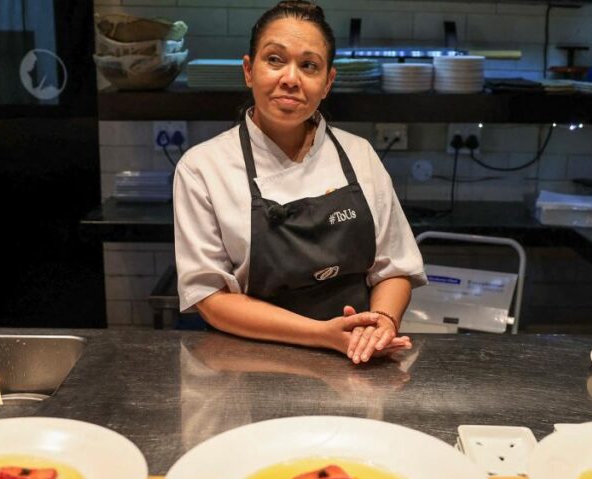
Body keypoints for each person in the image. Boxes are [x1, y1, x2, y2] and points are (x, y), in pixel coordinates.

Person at [173, 0, 426, 365]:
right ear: (249, 70)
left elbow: (395, 268)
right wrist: (321, 334)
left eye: (309, 66)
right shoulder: (202, 168)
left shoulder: (360, 154)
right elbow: (210, 298)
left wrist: (382, 323)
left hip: (356, 359)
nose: (290, 79)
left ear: (328, 82)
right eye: (275, 59)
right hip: (251, 365)